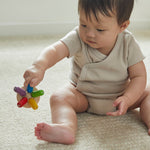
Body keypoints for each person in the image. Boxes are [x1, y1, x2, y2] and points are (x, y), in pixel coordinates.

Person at [23, 0, 150, 145]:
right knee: (59, 97)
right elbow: (55, 50)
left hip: (120, 96)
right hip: (83, 96)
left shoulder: (128, 43)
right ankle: (66, 127)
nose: (89, 34)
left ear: (123, 26)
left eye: (100, 29)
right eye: (84, 24)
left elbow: (138, 76)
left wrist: (128, 98)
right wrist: (39, 66)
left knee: (148, 92)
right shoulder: (78, 37)